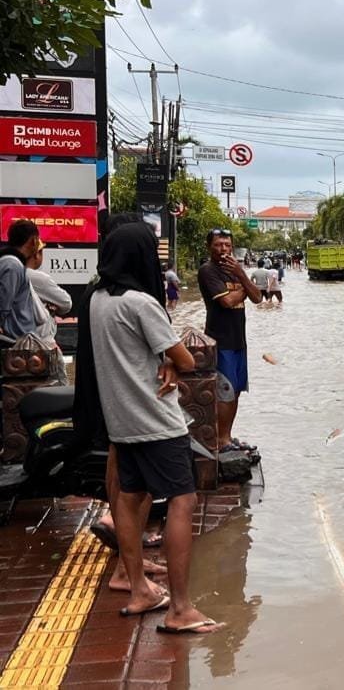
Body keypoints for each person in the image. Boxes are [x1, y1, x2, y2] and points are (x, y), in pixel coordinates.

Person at [78, 223, 222, 634]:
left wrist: (166, 360)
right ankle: (180, 608)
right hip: (157, 419)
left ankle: (138, 586)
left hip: (120, 420)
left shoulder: (97, 300)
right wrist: (174, 361)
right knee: (182, 500)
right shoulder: (141, 303)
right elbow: (188, 358)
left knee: (128, 497)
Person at [198, 229, 263, 456]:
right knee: (224, 391)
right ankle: (220, 439)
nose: (223, 249)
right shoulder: (208, 271)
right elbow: (226, 301)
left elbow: (258, 298)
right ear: (210, 247)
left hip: (239, 341)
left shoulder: (236, 271)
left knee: (235, 391)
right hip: (220, 341)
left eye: (227, 244)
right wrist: (245, 289)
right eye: (218, 244)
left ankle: (227, 436)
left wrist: (242, 276)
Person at [24, 240, 72, 383]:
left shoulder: (9, 273)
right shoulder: (36, 277)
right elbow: (66, 303)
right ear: (36, 255)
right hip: (40, 343)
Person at [0, 220, 41, 339]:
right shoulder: (12, 265)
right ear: (33, 241)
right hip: (15, 341)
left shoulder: (11, 263)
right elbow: (3, 303)